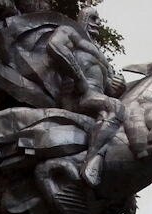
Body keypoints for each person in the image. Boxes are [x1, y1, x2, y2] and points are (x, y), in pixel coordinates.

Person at [46, 8, 126, 186]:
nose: (98, 22)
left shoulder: (101, 57)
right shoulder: (70, 33)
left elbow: (108, 90)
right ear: (84, 18)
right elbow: (54, 45)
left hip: (95, 100)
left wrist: (118, 87)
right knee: (116, 107)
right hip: (74, 98)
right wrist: (79, 77)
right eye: (94, 18)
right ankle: (91, 162)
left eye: (99, 19)